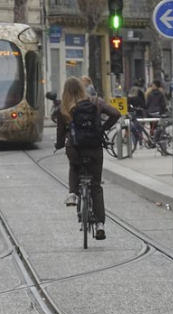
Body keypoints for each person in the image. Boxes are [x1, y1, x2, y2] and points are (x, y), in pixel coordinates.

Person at [55, 77, 120, 241]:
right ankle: (100, 225)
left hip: (75, 149)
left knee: (74, 166)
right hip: (94, 148)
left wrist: (60, 144)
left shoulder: (64, 108)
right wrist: (102, 129)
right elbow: (115, 113)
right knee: (96, 186)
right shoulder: (95, 102)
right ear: (83, 88)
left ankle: (72, 194)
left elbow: (60, 133)